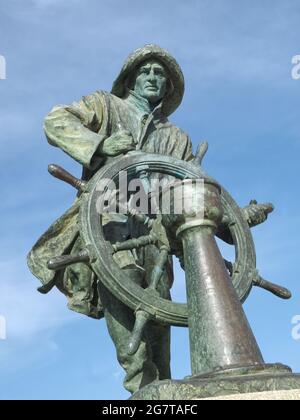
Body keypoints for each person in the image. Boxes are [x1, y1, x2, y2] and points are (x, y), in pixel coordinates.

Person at [28, 44, 194, 393]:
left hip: (157, 233)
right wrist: (100, 145)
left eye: (160, 74)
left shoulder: (177, 138)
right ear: (131, 79)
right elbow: (56, 120)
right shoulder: (105, 105)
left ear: (168, 87)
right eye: (145, 71)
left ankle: (163, 389)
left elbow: (193, 193)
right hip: (110, 219)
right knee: (122, 278)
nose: (152, 77)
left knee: (159, 300)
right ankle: (141, 386)